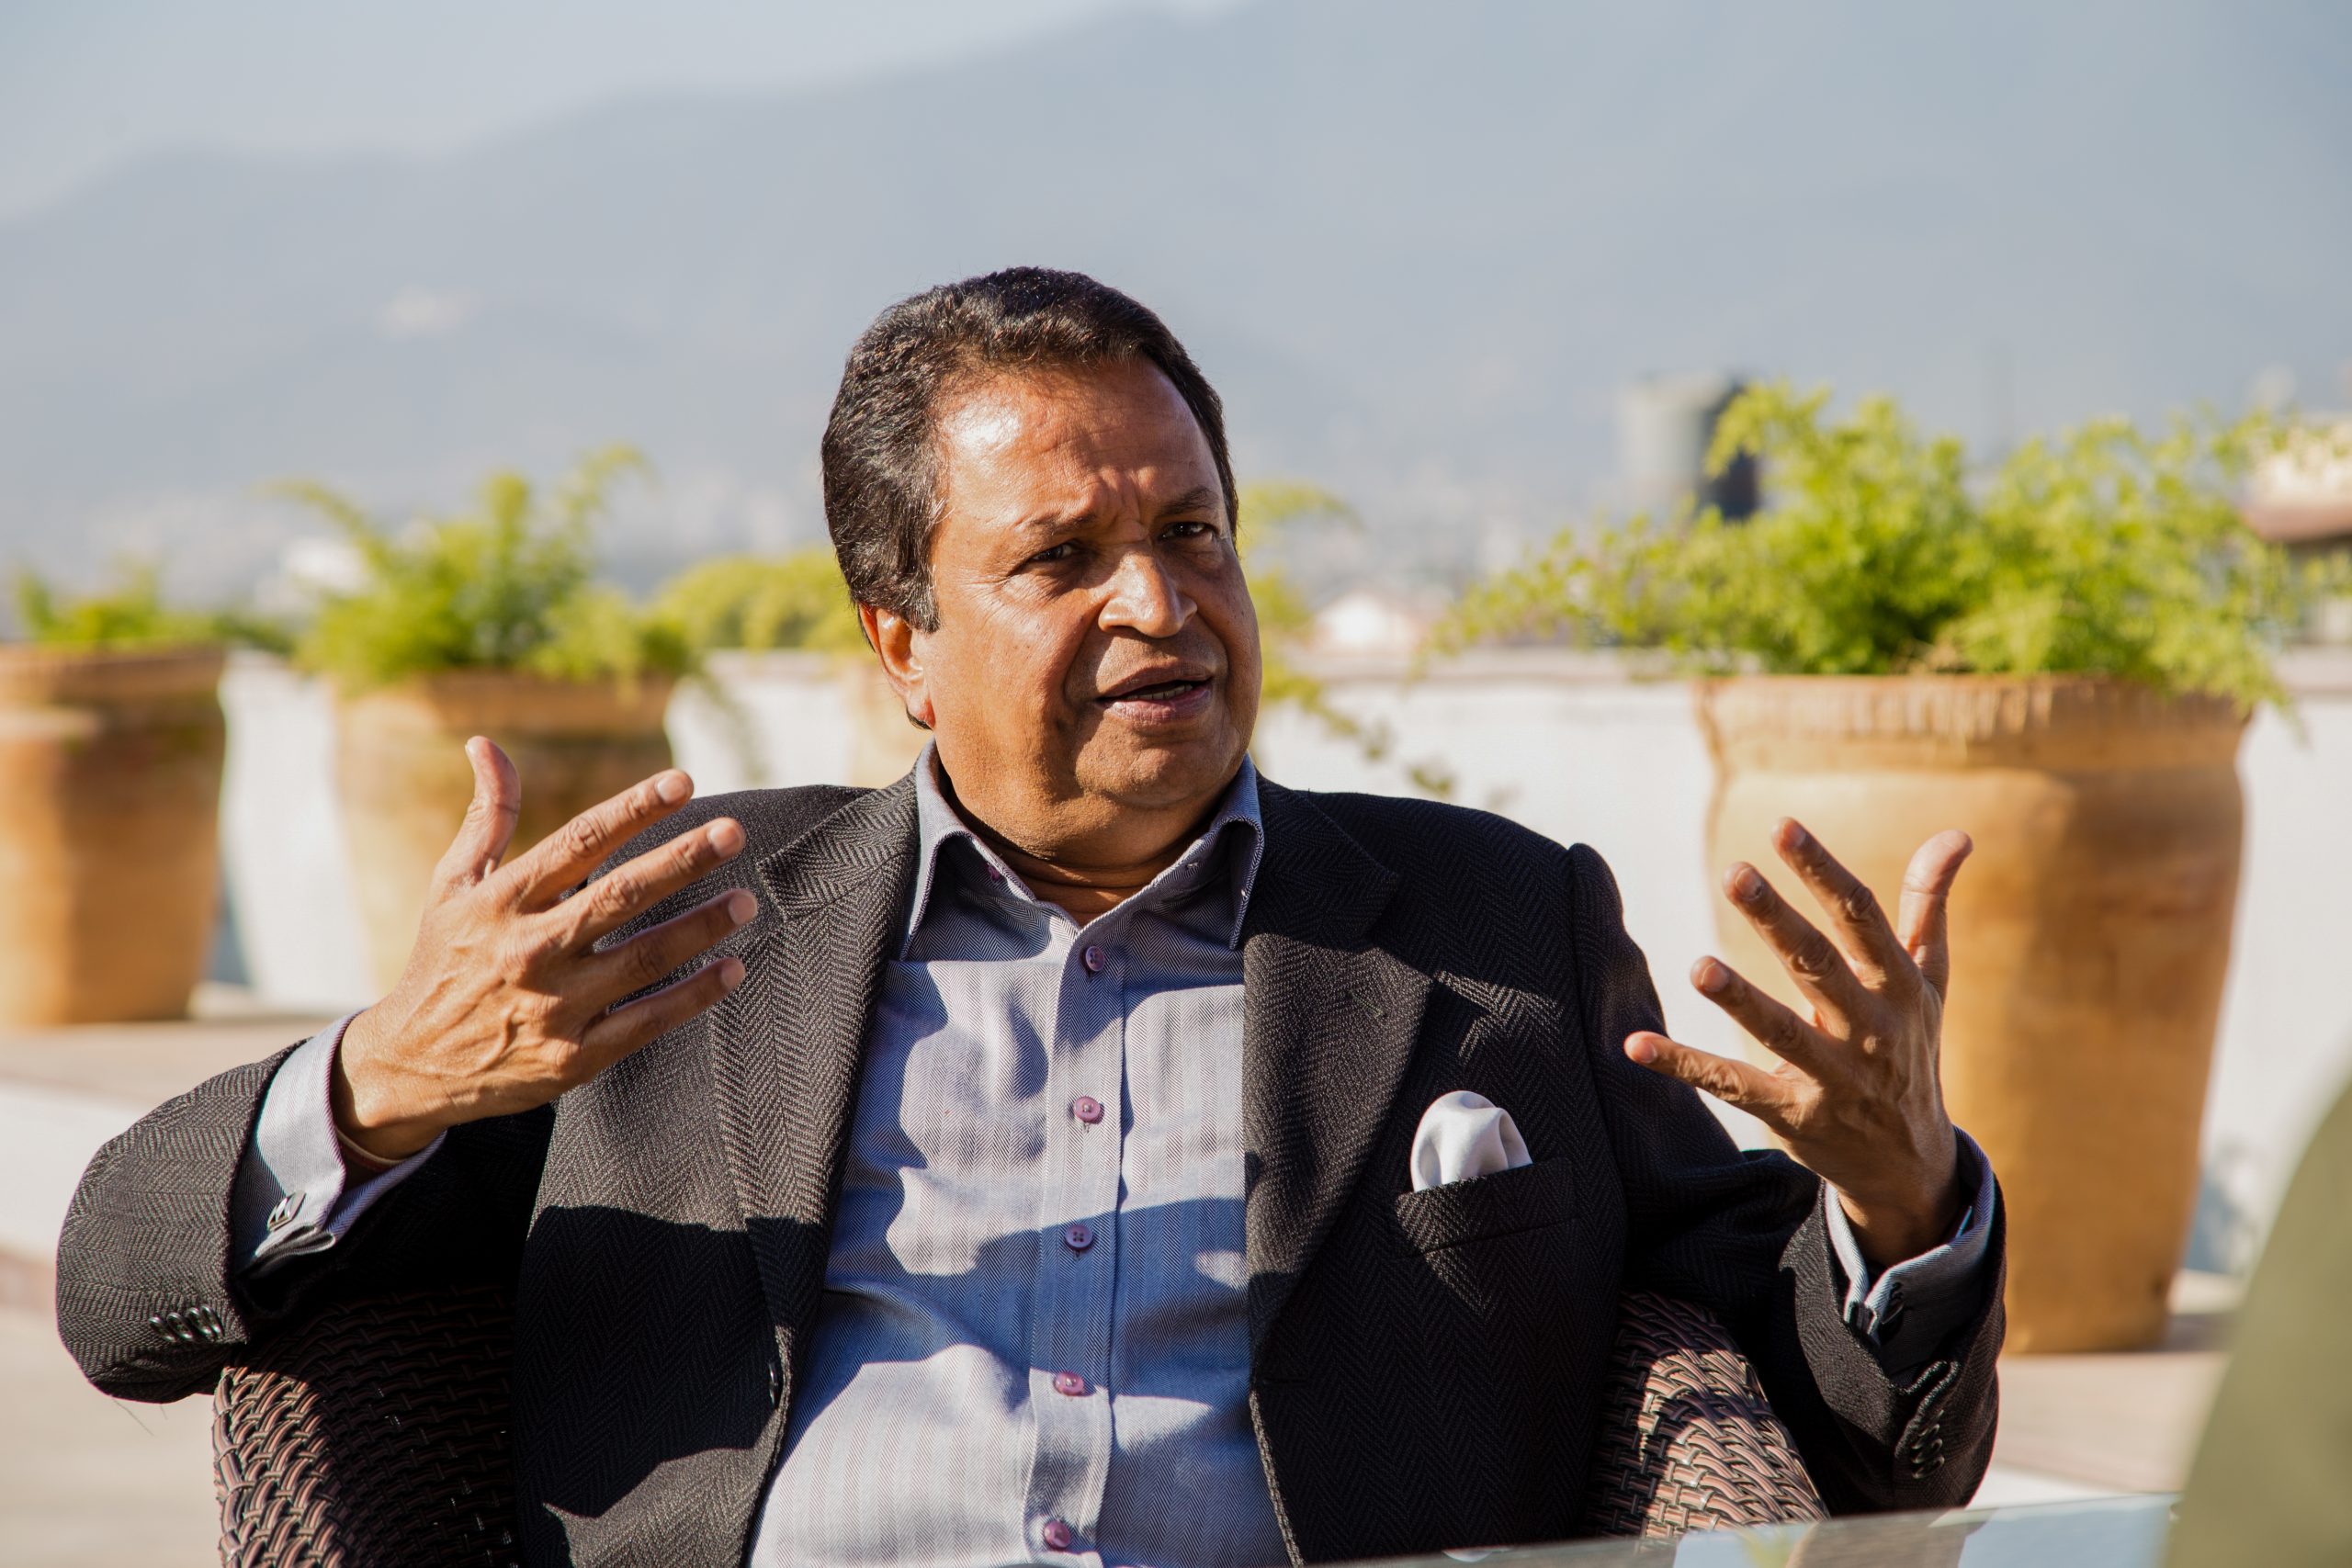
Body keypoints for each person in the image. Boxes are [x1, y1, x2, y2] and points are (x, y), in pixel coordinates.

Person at [57, 268, 2004, 1567]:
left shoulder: (1493, 930)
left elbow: (1837, 1454)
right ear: (900, 641)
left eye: (1190, 532)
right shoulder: (684, 935)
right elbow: (114, 1303)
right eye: (1062, 556)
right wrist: (382, 1083)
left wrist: (1903, 1201)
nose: (1159, 603)